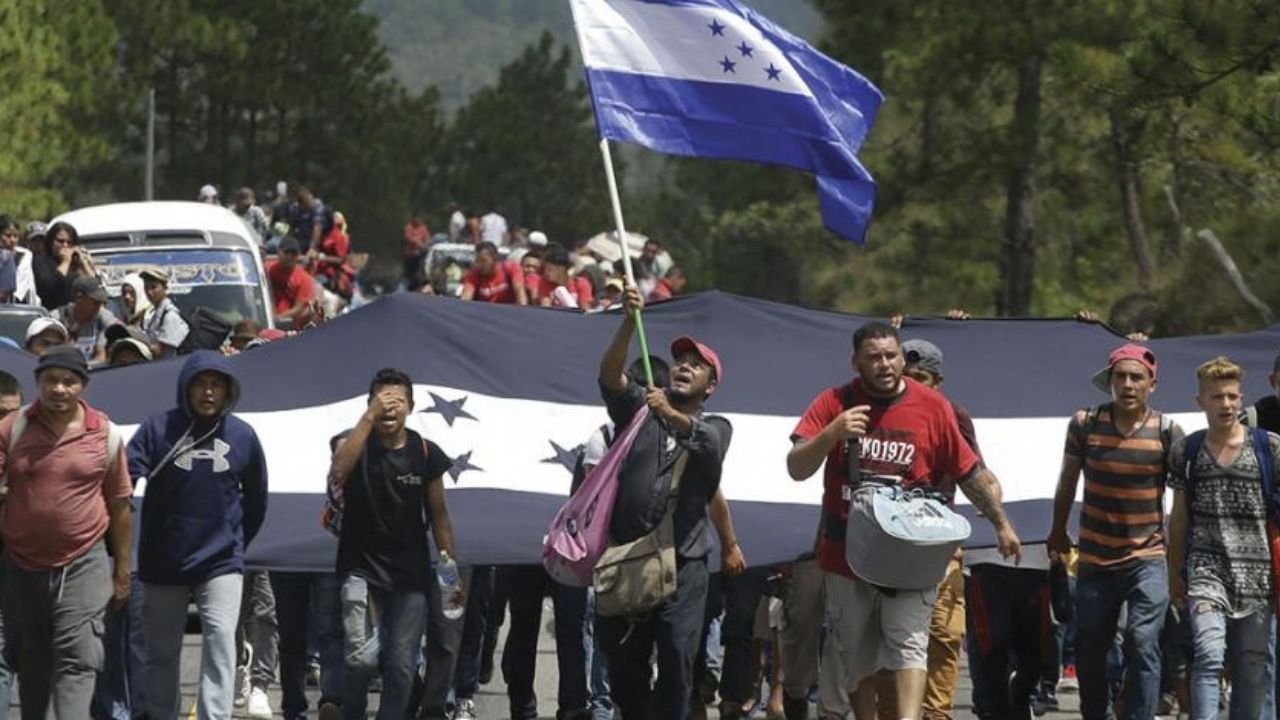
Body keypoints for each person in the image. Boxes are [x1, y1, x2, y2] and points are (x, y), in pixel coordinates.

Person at [786, 321, 1021, 720]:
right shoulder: (834, 401)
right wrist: (831, 435)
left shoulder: (933, 407)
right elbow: (796, 467)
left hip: (910, 555)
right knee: (854, 651)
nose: (884, 364)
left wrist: (1001, 522)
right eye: (873, 357)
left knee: (909, 644)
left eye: (890, 355)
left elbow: (968, 471)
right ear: (855, 361)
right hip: (846, 555)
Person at [595, 284, 733, 720]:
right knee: (625, 669)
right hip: (629, 557)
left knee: (677, 660)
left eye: (697, 366)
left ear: (710, 386)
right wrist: (624, 323)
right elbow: (610, 376)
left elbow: (704, 444)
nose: (684, 368)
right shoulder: (638, 410)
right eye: (680, 361)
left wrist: (669, 414)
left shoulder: (718, 426)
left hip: (684, 562)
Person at [127, 351, 268, 720]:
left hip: (221, 561)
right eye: (201, 384)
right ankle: (161, 714)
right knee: (161, 653)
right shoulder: (156, 429)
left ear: (227, 391)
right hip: (162, 560)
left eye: (217, 385)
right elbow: (122, 479)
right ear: (185, 388)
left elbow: (257, 499)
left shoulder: (243, 435)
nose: (208, 392)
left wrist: (235, 543)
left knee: (222, 645)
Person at [1046, 343, 1181, 720]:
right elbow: (1067, 481)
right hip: (1096, 556)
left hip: (1148, 556)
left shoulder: (1168, 432)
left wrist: (1180, 552)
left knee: (1142, 640)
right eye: (1120, 377)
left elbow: (1183, 498)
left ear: (1151, 384)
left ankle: (1139, 714)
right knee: (1091, 645)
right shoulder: (1085, 423)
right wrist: (1057, 531)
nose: (1127, 384)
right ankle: (1096, 713)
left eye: (1136, 377)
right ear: (1109, 382)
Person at [0, 347, 132, 720]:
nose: (59, 389)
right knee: (31, 661)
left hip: (83, 561)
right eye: (51, 380)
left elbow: (120, 505)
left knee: (79, 661)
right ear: (38, 383)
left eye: (68, 381)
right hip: (22, 565)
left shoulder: (104, 435)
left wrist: (122, 571)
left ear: (83, 386)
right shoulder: (13, 428)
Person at [329, 368, 459, 720]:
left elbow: (439, 515)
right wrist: (368, 417)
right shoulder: (352, 442)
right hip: (360, 568)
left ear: (411, 407)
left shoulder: (425, 451)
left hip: (409, 574)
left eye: (398, 401)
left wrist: (450, 570)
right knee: (360, 659)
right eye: (382, 402)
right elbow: (339, 472)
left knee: (402, 667)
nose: (390, 409)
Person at [1168, 356, 1277, 719]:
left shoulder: (1270, 448)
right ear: (1200, 402)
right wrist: (1173, 573)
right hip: (1206, 570)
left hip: (1257, 575)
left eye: (1232, 396)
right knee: (1209, 655)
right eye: (1216, 397)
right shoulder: (1187, 451)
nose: (1226, 404)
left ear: (1241, 398)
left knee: (1251, 665)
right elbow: (1179, 517)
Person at [54, 274, 119, 363]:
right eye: (95, 301)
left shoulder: (102, 318)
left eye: (101, 301)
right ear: (79, 297)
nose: (99, 305)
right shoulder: (57, 318)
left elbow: (100, 357)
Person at [32, 221, 92, 311]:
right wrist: (65, 262)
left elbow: (93, 286)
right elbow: (50, 287)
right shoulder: (40, 261)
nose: (65, 245)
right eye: (60, 241)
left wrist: (84, 263)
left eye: (69, 242)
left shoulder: (75, 263)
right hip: (53, 313)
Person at [138, 267, 190, 358]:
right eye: (146, 288)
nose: (149, 292)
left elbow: (159, 351)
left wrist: (139, 345)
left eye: (154, 287)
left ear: (165, 287)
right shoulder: (156, 315)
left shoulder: (170, 316)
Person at [267, 237, 317, 325]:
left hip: (288, 325)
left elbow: (298, 309)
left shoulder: (304, 279)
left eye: (294, 254)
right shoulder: (267, 268)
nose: (289, 257)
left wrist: (276, 319)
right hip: (264, 315)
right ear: (279, 252)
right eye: (286, 252)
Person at [460, 241, 528, 305]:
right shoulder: (474, 274)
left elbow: (520, 291)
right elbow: (466, 297)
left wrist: (523, 311)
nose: (479, 265)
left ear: (495, 258)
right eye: (477, 260)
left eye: (483, 260)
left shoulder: (511, 268)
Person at [529, 243, 593, 309]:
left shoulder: (581, 283)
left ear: (562, 269)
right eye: (545, 268)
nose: (546, 272)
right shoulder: (544, 282)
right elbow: (546, 308)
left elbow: (586, 311)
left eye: (550, 269)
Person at [0, 214, 40, 306]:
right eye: (8, 235)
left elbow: (19, 288)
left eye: (15, 236)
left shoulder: (24, 255)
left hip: (18, 306)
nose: (12, 240)